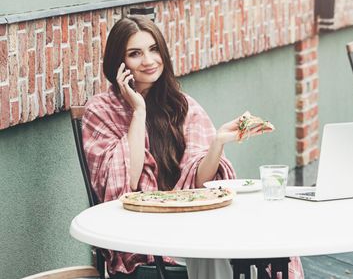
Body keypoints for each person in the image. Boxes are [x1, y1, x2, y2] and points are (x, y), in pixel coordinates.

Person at [81, 16, 304, 279]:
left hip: (191, 223)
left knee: (258, 241)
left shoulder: (181, 106)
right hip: (142, 233)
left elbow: (199, 182)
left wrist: (218, 141)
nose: (149, 60)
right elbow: (125, 183)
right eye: (135, 53)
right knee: (217, 250)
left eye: (154, 49)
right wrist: (138, 111)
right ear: (120, 63)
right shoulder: (100, 111)